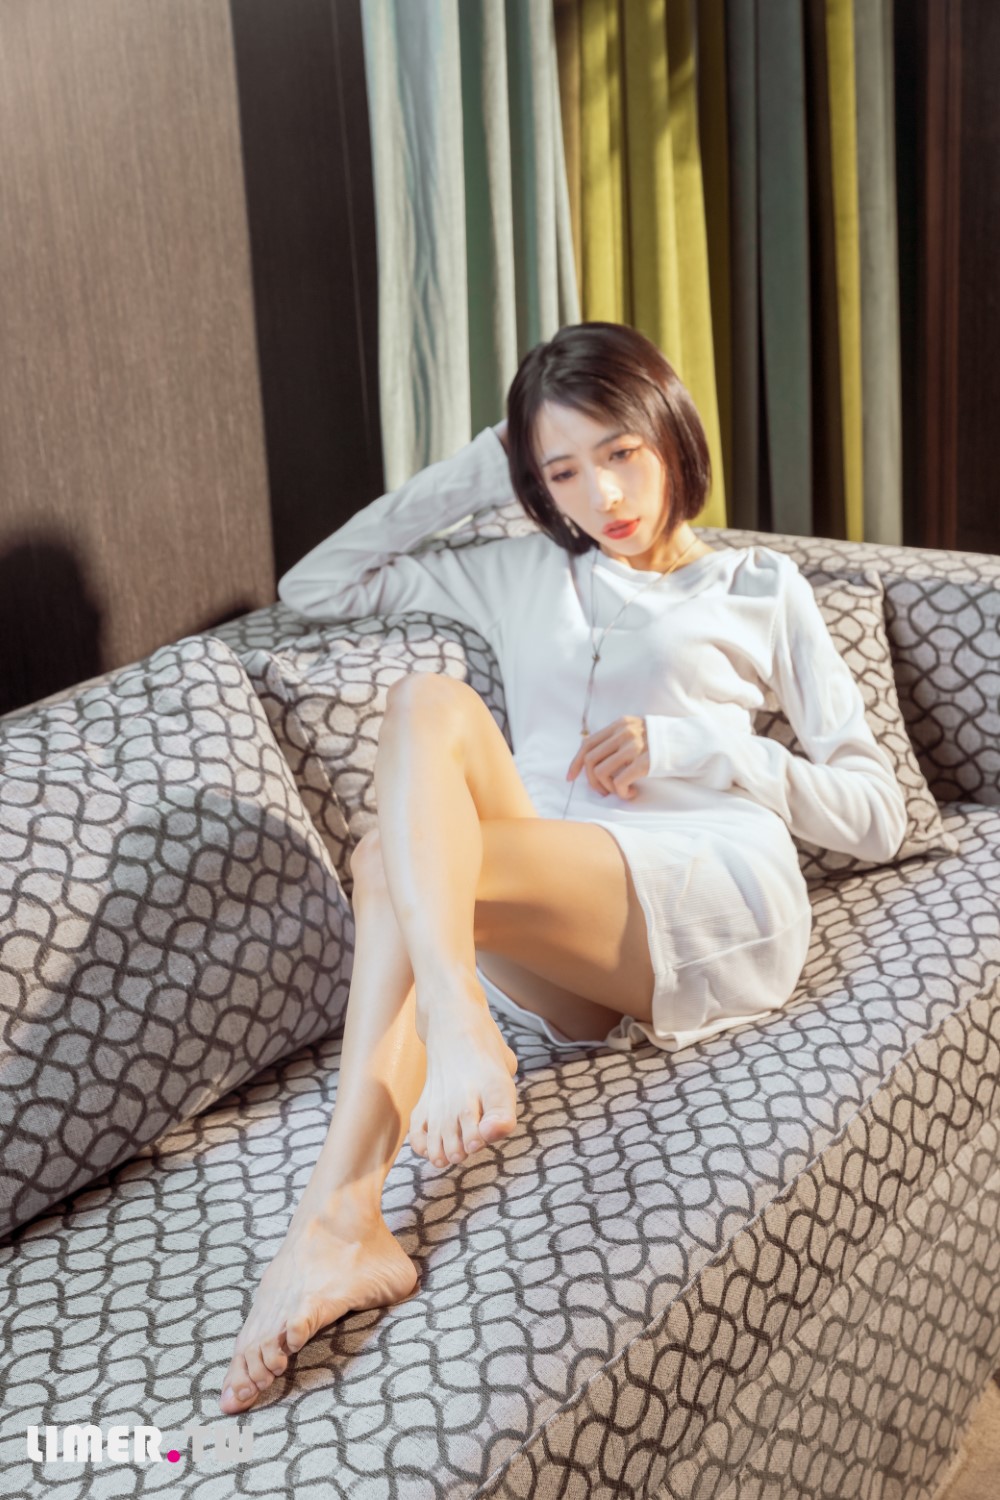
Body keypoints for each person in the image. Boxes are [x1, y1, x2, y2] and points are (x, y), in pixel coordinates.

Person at [218, 321, 906, 1414]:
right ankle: (437, 1055)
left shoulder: (757, 585)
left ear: (671, 432)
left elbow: (877, 815)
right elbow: (317, 582)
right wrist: (487, 459)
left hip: (700, 880)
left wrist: (699, 748)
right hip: (549, 928)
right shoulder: (519, 574)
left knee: (388, 860)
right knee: (424, 718)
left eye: (621, 451)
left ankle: (341, 1214)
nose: (604, 495)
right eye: (563, 471)